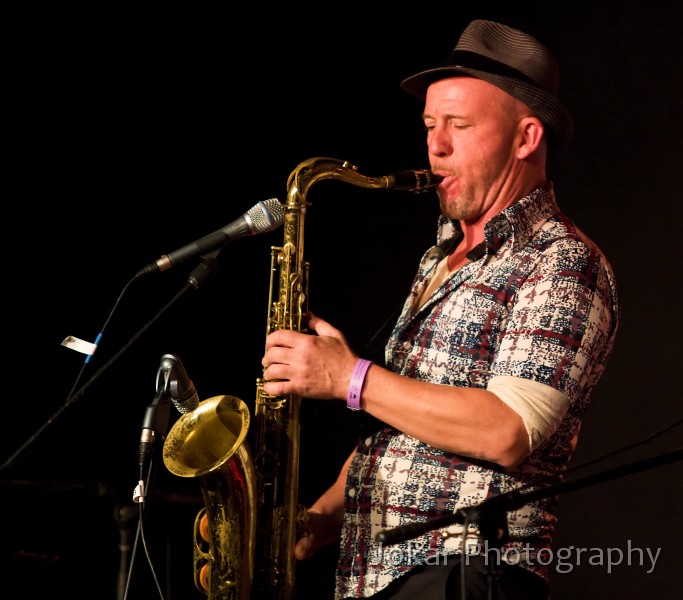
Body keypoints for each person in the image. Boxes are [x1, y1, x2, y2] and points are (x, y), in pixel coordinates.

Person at [261, 19, 619, 600]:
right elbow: (404, 430)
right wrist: (316, 523)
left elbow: (507, 430)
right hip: (380, 575)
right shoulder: (441, 259)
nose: (436, 145)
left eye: (459, 125)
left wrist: (346, 377)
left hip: (466, 573)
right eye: (430, 125)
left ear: (526, 138)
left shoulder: (564, 261)